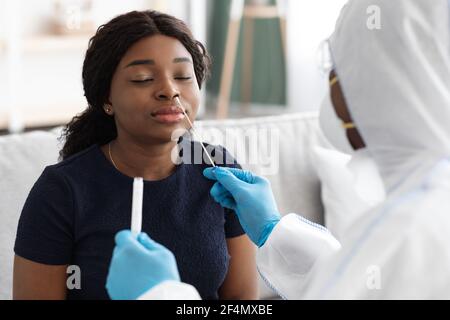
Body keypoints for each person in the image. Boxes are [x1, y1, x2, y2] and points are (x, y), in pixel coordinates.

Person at [105, 0, 450, 299]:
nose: (170, 92)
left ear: (372, 83)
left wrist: (159, 295)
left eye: (335, 69)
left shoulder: (408, 232)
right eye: (141, 79)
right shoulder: (420, 217)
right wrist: (277, 232)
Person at [13, 10, 258, 300]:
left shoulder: (219, 173)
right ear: (107, 98)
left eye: (182, 76)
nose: (170, 90)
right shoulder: (62, 192)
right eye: (143, 78)